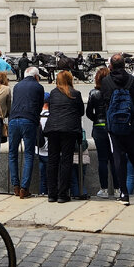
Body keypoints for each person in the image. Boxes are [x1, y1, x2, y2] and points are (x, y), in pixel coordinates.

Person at [103, 54, 134, 205]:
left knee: (119, 158)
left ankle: (124, 194)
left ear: (111, 65)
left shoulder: (106, 81)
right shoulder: (132, 80)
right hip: (132, 125)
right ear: (124, 65)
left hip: (115, 127)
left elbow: (105, 103)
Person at [44, 70, 83, 203]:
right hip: (69, 129)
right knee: (66, 161)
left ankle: (51, 194)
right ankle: (62, 194)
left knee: (52, 161)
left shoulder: (53, 93)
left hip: (53, 128)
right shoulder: (75, 93)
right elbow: (81, 111)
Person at [7, 66, 44, 198]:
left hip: (13, 120)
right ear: (36, 76)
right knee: (28, 155)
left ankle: (15, 187)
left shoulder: (17, 86)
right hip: (28, 120)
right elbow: (39, 105)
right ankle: (24, 188)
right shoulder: (38, 87)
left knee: (12, 154)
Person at [85, 66, 120, 198]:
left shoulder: (94, 92)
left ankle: (104, 189)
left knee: (102, 159)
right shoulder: (114, 91)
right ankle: (117, 189)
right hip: (112, 127)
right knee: (114, 158)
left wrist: (96, 120)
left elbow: (88, 112)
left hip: (99, 128)